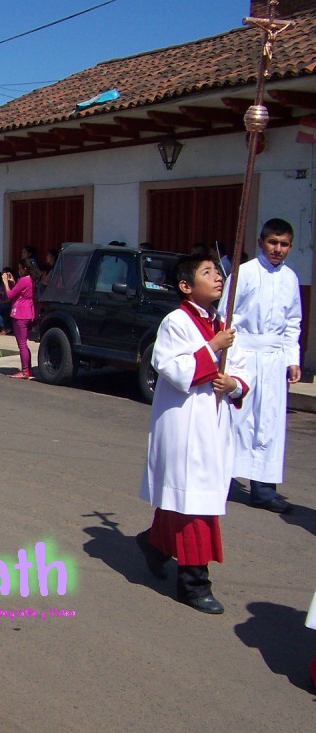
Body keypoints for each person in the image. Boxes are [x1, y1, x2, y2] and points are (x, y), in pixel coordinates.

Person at [137, 255, 249, 614]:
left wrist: (234, 384)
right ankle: (194, 583)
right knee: (195, 505)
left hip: (212, 424)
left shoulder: (221, 324)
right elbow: (172, 368)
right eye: (207, 272)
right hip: (184, 424)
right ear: (186, 286)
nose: (217, 277)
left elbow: (241, 368)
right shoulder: (176, 322)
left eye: (218, 271)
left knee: (187, 497)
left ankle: (155, 545)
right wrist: (212, 347)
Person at [221, 218, 302, 514]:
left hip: (274, 358)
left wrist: (292, 358)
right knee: (237, 419)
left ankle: (264, 489)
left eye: (284, 244)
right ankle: (223, 478)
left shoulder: (290, 278)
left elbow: (293, 322)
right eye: (272, 242)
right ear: (261, 242)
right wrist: (228, 359)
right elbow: (226, 316)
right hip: (244, 354)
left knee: (269, 422)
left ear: (290, 246)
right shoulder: (244, 274)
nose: (277, 249)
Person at [1, 257, 41, 379]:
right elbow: (21, 291)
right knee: (24, 343)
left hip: (20, 313)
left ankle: (25, 371)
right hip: (29, 312)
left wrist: (5, 282)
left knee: (22, 344)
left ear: (25, 269)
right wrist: (14, 282)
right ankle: (28, 369)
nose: (19, 271)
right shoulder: (31, 279)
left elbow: (10, 295)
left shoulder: (24, 280)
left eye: (20, 269)